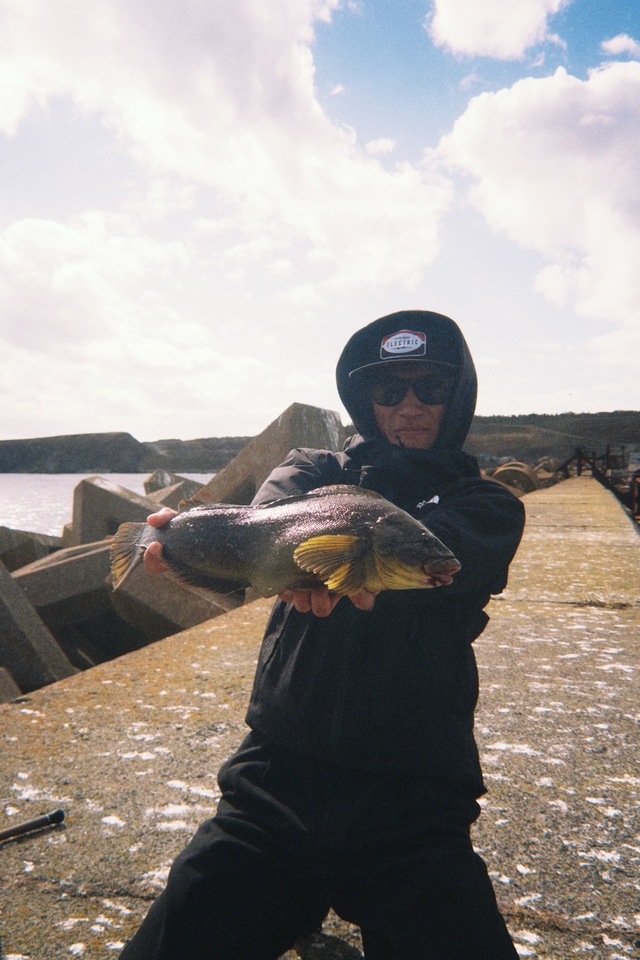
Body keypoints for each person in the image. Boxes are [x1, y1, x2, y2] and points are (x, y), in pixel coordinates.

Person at [120, 309, 525, 960]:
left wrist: (356, 558)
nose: (410, 405)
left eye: (431, 387)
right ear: (366, 400)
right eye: (389, 389)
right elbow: (260, 530)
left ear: (460, 396)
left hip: (414, 797)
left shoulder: (489, 505)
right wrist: (180, 540)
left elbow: (454, 557)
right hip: (274, 782)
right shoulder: (309, 469)